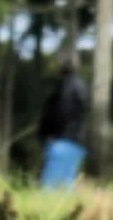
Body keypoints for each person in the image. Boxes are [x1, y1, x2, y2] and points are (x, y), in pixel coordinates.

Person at [38, 58, 90, 189]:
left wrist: (47, 134)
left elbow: (59, 112)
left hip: (60, 141)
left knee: (50, 188)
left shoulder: (63, 88)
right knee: (67, 186)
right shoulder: (82, 87)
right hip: (75, 142)